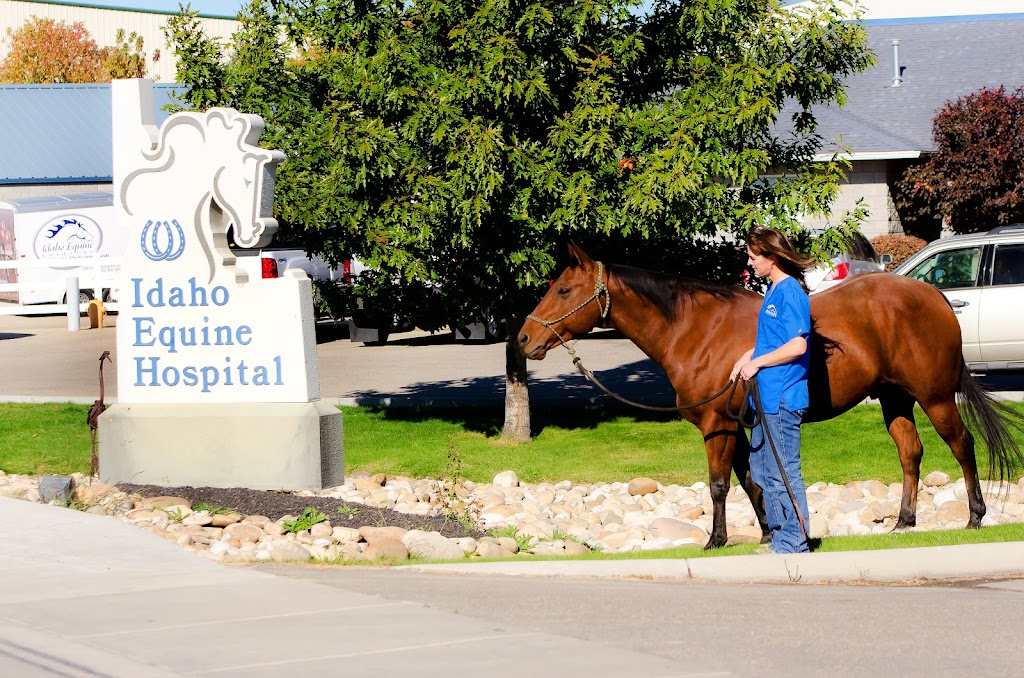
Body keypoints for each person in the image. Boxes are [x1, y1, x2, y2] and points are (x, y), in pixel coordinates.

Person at [729, 227, 814, 554]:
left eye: (753, 257)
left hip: (783, 398)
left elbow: (796, 345)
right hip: (765, 399)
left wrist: (759, 362)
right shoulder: (772, 289)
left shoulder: (791, 292)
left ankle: (795, 544)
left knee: (783, 472)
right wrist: (748, 356)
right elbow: (774, 338)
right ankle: (782, 539)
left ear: (772, 257)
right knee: (764, 471)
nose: (750, 263)